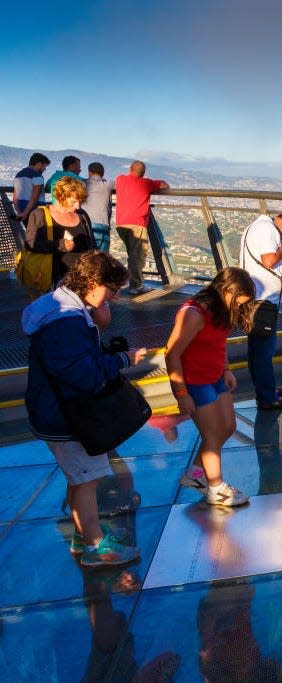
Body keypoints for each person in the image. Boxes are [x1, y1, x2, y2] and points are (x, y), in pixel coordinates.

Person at [22, 251, 147, 567]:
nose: (115, 297)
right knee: (87, 480)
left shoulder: (59, 307)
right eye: (112, 290)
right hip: (66, 416)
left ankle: (83, 533)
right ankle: (95, 546)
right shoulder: (67, 323)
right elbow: (85, 376)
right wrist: (121, 360)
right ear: (92, 283)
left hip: (53, 409)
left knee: (80, 477)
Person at [164, 267, 255, 507]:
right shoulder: (193, 314)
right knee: (212, 434)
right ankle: (216, 488)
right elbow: (171, 354)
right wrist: (181, 394)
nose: (238, 308)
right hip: (196, 382)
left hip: (215, 377)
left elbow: (218, 343)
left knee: (227, 428)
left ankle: (195, 474)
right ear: (225, 291)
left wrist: (226, 369)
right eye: (237, 302)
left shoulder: (221, 310)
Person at [238, 211, 282, 410]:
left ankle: (266, 389)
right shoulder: (267, 230)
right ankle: (267, 398)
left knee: (257, 351)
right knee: (264, 352)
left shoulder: (258, 226)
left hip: (255, 297)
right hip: (263, 301)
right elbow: (268, 261)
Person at [25, 176, 97, 288]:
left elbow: (91, 243)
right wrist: (59, 245)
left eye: (80, 201)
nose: (78, 206)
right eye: (73, 201)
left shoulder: (82, 215)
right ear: (61, 196)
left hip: (81, 277)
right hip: (53, 277)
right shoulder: (39, 214)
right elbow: (31, 244)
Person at [115, 160, 170, 294]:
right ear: (144, 173)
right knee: (137, 256)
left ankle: (131, 281)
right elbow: (165, 185)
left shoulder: (120, 179)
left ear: (130, 169)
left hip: (121, 223)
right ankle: (136, 286)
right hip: (137, 223)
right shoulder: (146, 183)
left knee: (131, 254)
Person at [83, 162, 116, 251]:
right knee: (103, 258)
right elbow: (123, 186)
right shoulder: (107, 185)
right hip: (102, 224)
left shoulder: (81, 184)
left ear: (89, 172)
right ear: (102, 173)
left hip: (84, 224)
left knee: (86, 256)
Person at [12, 152, 50, 223]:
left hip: (21, 210)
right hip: (36, 211)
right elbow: (34, 198)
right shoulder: (38, 176)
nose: (45, 169)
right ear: (39, 164)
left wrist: (19, 212)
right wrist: (25, 213)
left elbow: (15, 197)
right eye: (44, 166)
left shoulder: (18, 175)